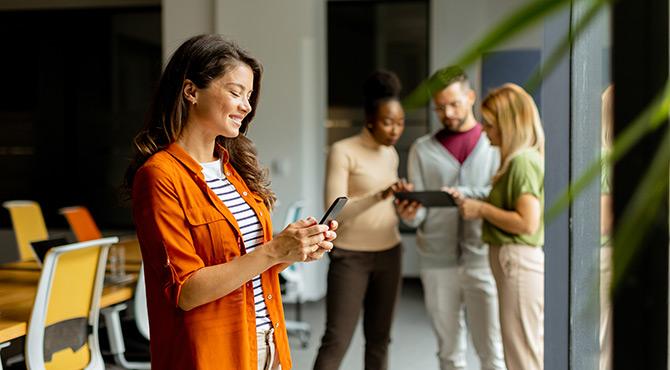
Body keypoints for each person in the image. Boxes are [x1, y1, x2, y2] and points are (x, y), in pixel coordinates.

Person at [124, 34, 337, 370]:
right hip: (213, 354)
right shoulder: (159, 176)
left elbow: (247, 265)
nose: (246, 106)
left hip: (267, 343)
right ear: (191, 91)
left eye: (249, 96)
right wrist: (273, 250)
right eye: (236, 92)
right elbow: (187, 291)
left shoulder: (233, 169)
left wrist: (292, 249)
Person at [398, 66, 505, 370]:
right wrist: (410, 213)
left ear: (470, 97)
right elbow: (418, 217)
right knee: (449, 354)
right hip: (437, 260)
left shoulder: (493, 144)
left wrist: (464, 194)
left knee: (492, 352)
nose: (448, 112)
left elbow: (502, 195)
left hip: (483, 258)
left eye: (454, 104)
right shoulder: (422, 149)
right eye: (440, 107)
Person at [313, 70, 411, 370]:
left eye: (399, 122)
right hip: (350, 257)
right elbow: (334, 209)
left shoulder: (391, 153)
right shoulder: (343, 152)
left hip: (389, 254)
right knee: (337, 340)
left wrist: (403, 207)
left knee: (380, 341)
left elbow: (386, 209)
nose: (395, 130)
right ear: (370, 118)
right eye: (387, 122)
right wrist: (378, 196)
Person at [453, 83, 545, 370]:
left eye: (490, 124)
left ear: (509, 124)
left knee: (522, 355)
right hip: (511, 262)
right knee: (517, 349)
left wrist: (481, 209)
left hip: (517, 260)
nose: (484, 130)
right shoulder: (516, 161)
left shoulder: (522, 162)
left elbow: (527, 222)